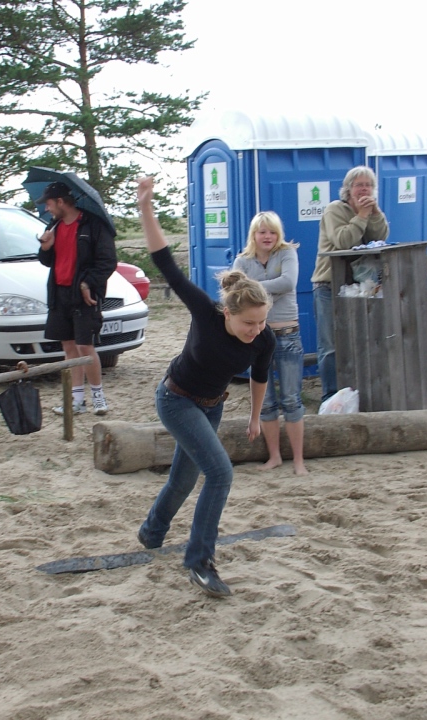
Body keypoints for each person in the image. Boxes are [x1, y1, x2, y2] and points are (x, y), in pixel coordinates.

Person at [136, 176, 276, 598]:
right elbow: (165, 263)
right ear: (228, 314)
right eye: (249, 322)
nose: (256, 330)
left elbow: (260, 376)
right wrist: (146, 207)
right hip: (175, 399)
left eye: (262, 321)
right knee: (219, 473)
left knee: (183, 480)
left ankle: (151, 532)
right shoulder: (205, 312)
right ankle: (199, 562)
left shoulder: (265, 338)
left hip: (212, 405)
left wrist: (254, 417)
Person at [233, 211, 308, 476]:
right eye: (262, 231)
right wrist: (260, 288)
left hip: (287, 333)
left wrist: (253, 287)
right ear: (253, 235)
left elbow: (288, 282)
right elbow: (236, 293)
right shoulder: (241, 260)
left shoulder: (287, 253)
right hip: (256, 338)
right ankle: (274, 456)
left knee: (291, 399)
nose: (268, 236)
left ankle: (298, 460)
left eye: (272, 232)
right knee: (265, 402)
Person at [37, 181, 117, 415]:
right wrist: (45, 248)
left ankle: (98, 397)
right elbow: (47, 261)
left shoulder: (93, 225)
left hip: (84, 295)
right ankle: (77, 400)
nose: (47, 209)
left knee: (85, 346)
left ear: (61, 202)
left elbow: (107, 262)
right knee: (69, 347)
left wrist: (87, 283)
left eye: (49, 204)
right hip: (59, 294)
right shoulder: (54, 226)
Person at [311, 166, 389, 403]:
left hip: (359, 288)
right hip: (328, 285)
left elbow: (381, 236)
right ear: (348, 189)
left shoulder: (369, 210)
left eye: (368, 185)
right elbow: (343, 241)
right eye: (359, 185)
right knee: (331, 346)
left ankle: (357, 395)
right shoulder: (334, 209)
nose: (364, 189)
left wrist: (375, 213)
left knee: (360, 341)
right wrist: (362, 216)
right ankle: (330, 398)